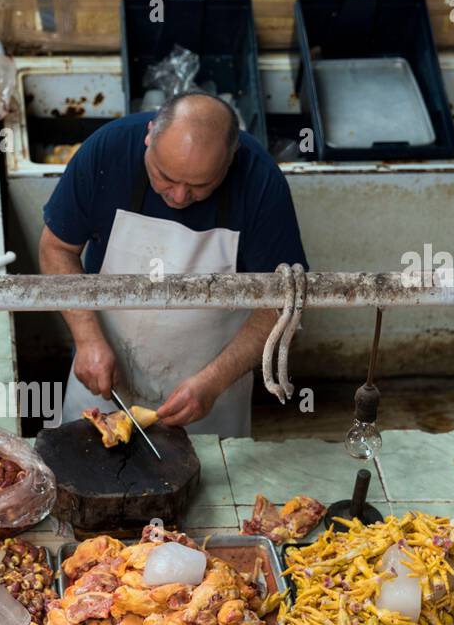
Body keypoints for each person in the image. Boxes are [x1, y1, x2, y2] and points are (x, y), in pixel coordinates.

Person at [40, 91, 308, 436]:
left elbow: (283, 303)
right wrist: (87, 338)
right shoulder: (108, 150)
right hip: (104, 381)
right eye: (164, 176)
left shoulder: (261, 182)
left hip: (207, 396)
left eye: (201, 185)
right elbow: (56, 248)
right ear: (149, 136)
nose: (179, 197)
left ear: (231, 158)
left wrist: (213, 382)